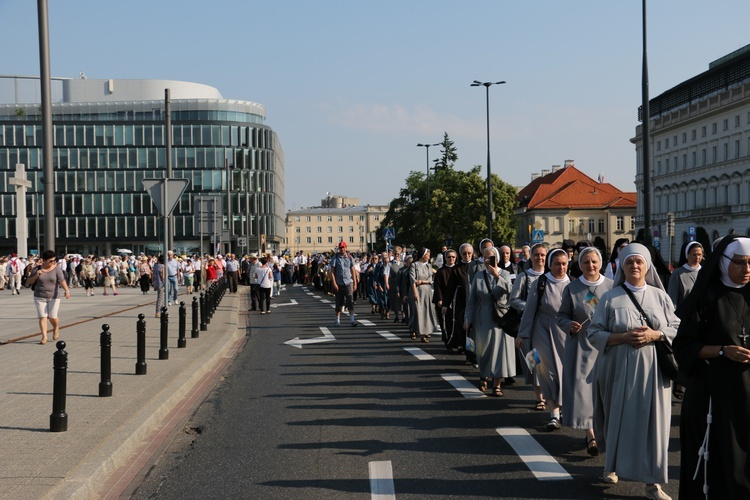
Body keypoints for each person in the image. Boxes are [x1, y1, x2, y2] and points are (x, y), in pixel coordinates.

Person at [587, 242, 680, 499]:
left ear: (647, 266)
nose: (634, 266)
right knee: (620, 420)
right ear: (622, 267)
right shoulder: (609, 297)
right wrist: (624, 337)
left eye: (639, 262)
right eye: (629, 262)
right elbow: (593, 333)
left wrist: (655, 334)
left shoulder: (660, 296)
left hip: (654, 374)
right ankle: (613, 466)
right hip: (619, 370)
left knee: (655, 426)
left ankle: (654, 484)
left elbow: (676, 328)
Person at [672, 235, 750, 499]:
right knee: (715, 465)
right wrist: (721, 351)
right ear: (723, 262)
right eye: (739, 262)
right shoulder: (706, 297)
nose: (746, 268)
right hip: (712, 396)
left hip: (747, 396)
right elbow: (683, 347)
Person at [556, 246, 613, 455]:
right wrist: (568, 324)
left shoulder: (611, 286)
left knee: (603, 393)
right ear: (579, 265)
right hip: (580, 346)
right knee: (583, 391)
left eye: (594, 261)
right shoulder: (572, 288)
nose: (590, 265)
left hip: (606, 347)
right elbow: (561, 316)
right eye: (586, 262)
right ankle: (591, 435)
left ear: (600, 263)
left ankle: (603, 431)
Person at [516, 248, 570, 431]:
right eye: (557, 264)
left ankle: (563, 408)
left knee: (564, 372)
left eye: (564, 264)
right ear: (550, 265)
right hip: (542, 330)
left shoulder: (574, 285)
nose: (560, 268)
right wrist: (522, 334)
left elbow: (587, 308)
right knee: (546, 371)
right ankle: (553, 414)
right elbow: (529, 310)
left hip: (565, 334)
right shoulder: (540, 283)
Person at [464, 246, 515, 396]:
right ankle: (483, 375)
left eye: (490, 258)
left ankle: (497, 384)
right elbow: (472, 300)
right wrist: (468, 318)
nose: (487, 260)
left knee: (499, 351)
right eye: (485, 257)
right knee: (484, 348)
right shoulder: (479, 275)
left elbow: (511, 290)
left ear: (497, 259)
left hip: (500, 316)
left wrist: (497, 276)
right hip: (482, 316)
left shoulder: (505, 273)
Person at [510, 242, 548, 410]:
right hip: (529, 325)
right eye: (536, 255)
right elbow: (513, 300)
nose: (539, 258)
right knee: (534, 361)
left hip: (549, 326)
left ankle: (552, 395)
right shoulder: (524, 276)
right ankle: (540, 396)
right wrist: (529, 305)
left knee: (550, 362)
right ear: (531, 257)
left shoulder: (553, 275)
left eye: (542, 255)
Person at [26, 251, 71, 344]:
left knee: (52, 317)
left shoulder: (56, 269)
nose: (53, 262)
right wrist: (36, 275)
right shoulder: (37, 268)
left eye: (54, 261)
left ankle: (55, 327)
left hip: (54, 296)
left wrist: (67, 291)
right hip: (39, 296)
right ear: (44, 260)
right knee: (42, 316)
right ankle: (44, 336)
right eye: (51, 261)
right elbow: (29, 281)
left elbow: (61, 280)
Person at [409, 248, 438, 342]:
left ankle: (424, 333)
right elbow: (412, 280)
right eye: (428, 255)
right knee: (417, 312)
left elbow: (430, 279)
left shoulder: (429, 266)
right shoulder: (414, 265)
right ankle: (413, 329)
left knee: (426, 311)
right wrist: (415, 292)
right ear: (423, 255)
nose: (429, 257)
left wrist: (421, 281)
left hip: (427, 291)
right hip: (417, 291)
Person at [330, 241, 358, 327]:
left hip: (348, 282)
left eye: (344, 247)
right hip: (339, 283)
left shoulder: (349, 258)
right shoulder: (335, 258)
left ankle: (352, 320)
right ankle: (337, 320)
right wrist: (334, 283)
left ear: (346, 248)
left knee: (350, 301)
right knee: (339, 302)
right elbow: (332, 272)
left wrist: (355, 282)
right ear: (339, 248)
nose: (343, 249)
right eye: (341, 248)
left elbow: (353, 270)